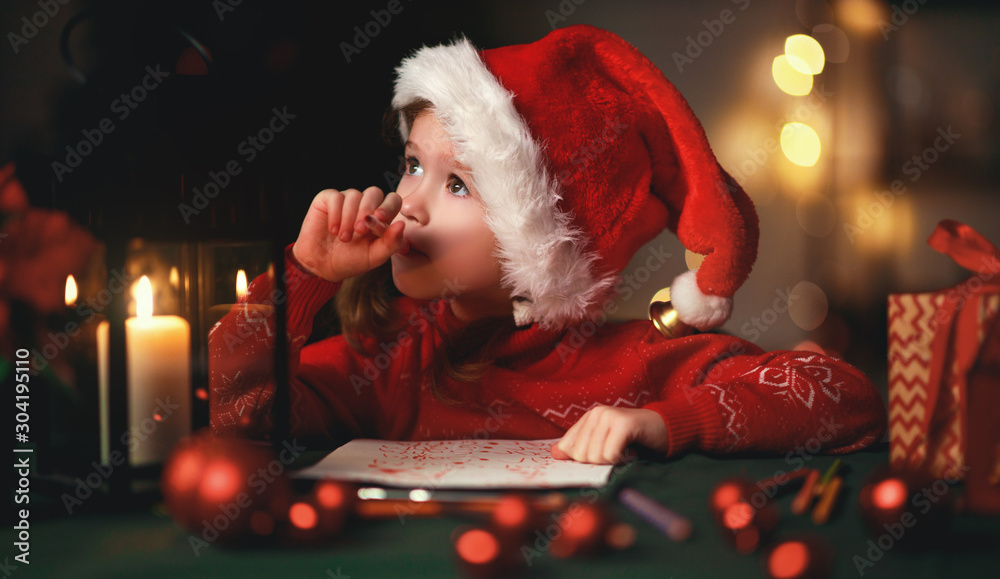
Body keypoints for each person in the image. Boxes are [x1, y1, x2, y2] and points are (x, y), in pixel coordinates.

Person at [209, 24, 887, 465]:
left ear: (545, 243)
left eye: (459, 186)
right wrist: (304, 275)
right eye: (413, 164)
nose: (407, 201)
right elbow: (240, 412)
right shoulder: (392, 357)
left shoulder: (637, 361)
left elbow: (843, 393)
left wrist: (664, 421)